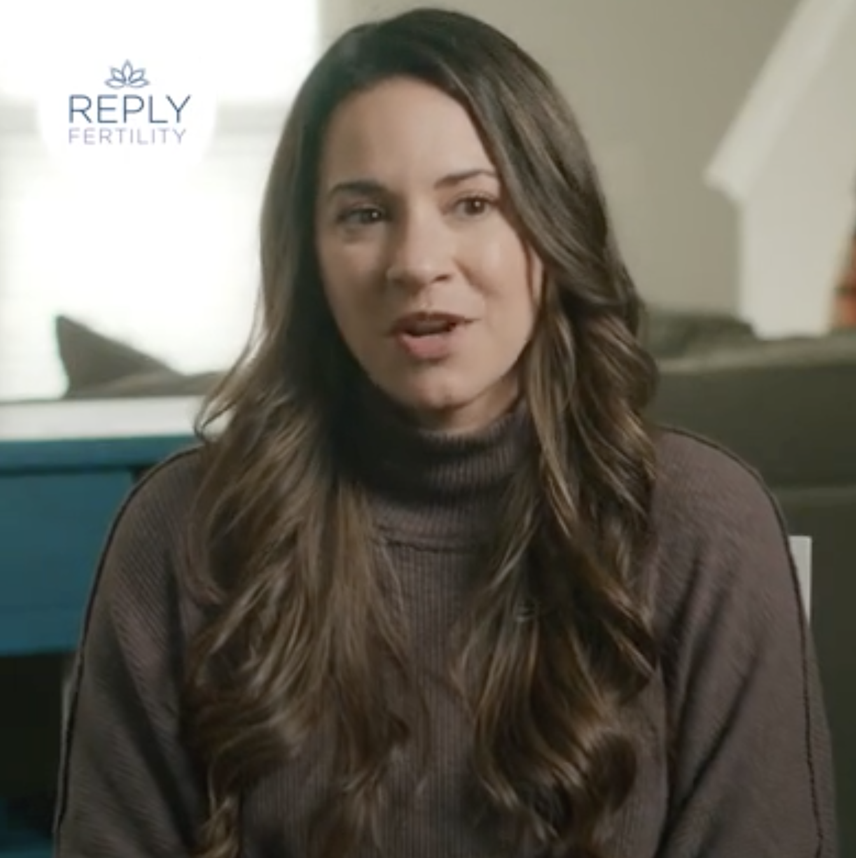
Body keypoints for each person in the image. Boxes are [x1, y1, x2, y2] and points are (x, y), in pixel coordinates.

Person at [54, 7, 838, 858]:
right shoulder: (178, 535)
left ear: (550, 226)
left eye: (472, 202)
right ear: (308, 255)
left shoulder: (706, 528)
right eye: (363, 214)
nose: (418, 262)